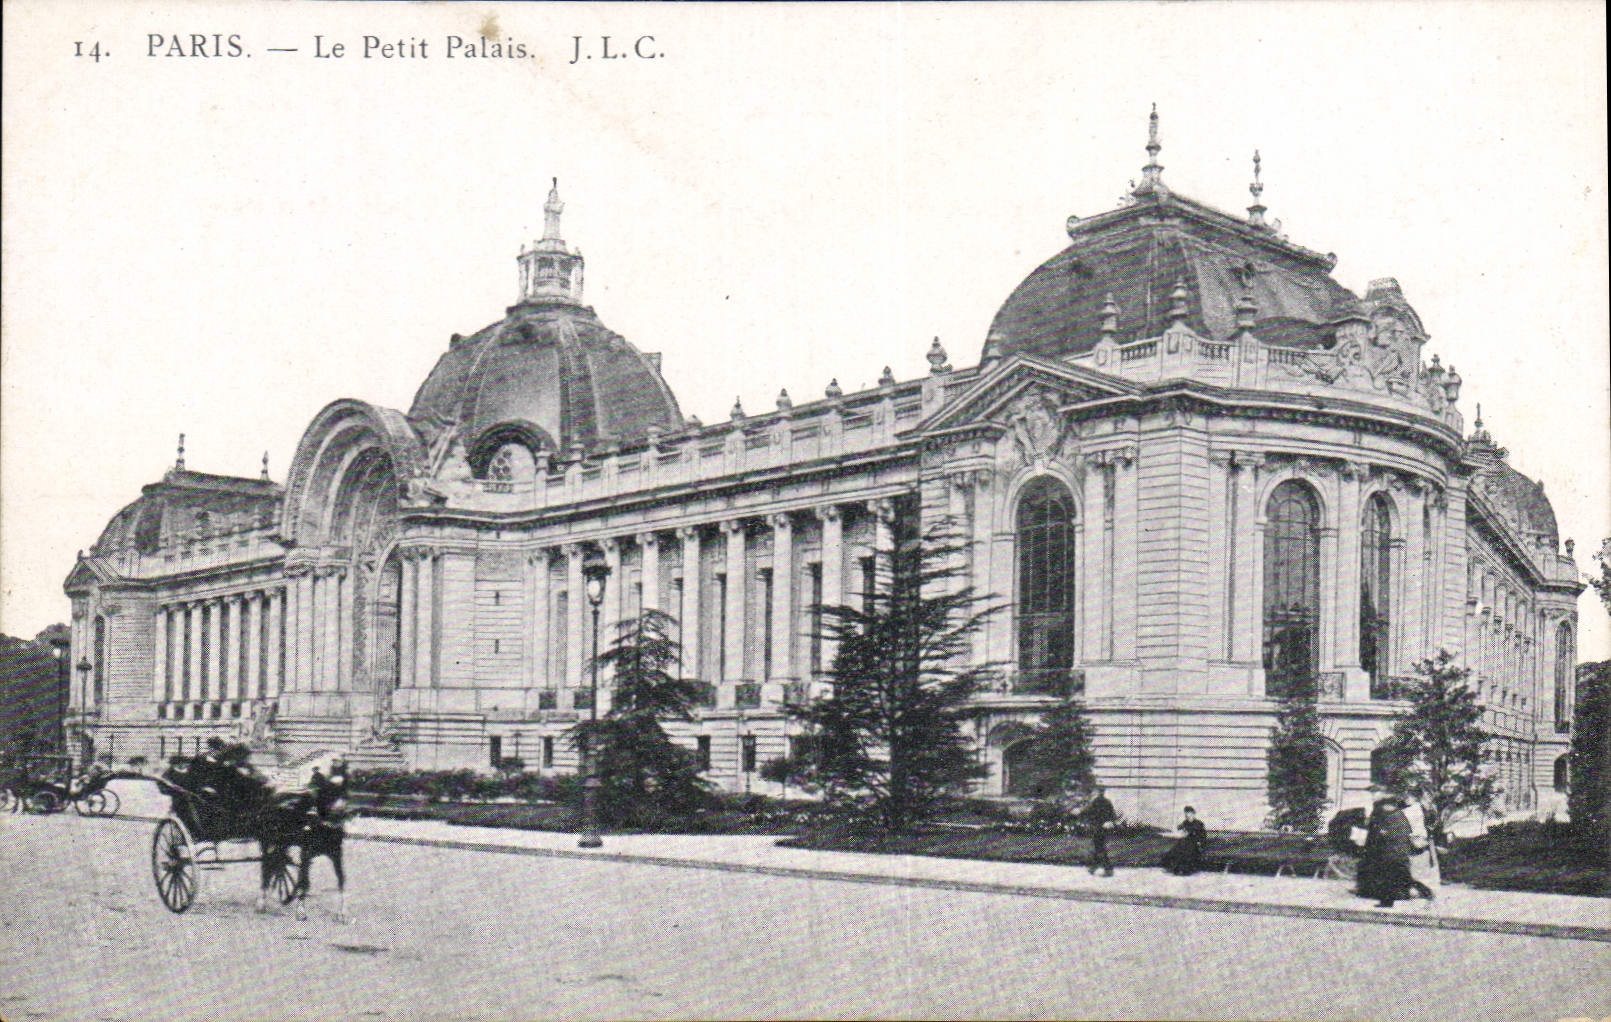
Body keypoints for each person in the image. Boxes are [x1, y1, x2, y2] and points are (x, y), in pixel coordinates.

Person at [1079, 785, 1118, 876]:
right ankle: (1094, 866)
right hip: (1103, 827)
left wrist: (1080, 813)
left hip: (1097, 827)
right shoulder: (1107, 802)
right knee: (1099, 847)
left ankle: (1108, 869)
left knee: (1100, 848)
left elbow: (1088, 812)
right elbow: (1112, 815)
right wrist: (1109, 822)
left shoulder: (1096, 801)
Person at [1161, 806, 1209, 875]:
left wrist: (1198, 842)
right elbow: (1179, 828)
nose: (1188, 816)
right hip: (1187, 842)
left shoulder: (1198, 823)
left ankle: (1185, 870)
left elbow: (1202, 836)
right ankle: (1175, 868)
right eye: (1186, 814)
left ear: (1193, 814)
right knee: (1176, 848)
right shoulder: (1185, 822)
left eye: (1189, 814)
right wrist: (1176, 824)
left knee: (1186, 850)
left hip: (1196, 844)